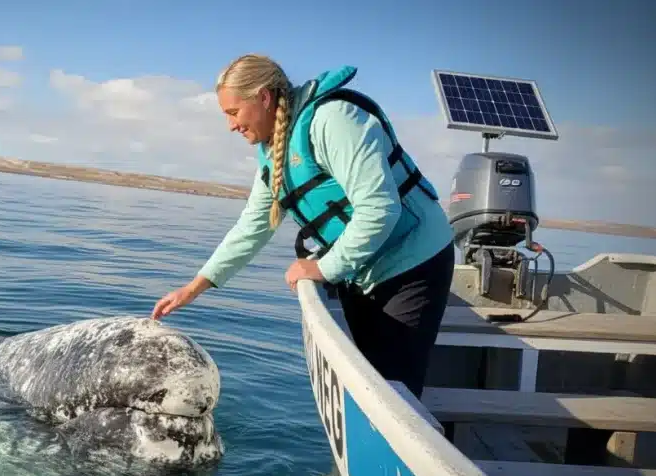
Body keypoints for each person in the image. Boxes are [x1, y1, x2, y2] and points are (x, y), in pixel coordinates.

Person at [150, 54, 456, 398]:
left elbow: (380, 208)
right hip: (362, 268)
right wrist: (194, 288)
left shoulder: (334, 121)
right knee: (367, 380)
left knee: (393, 393)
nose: (230, 125)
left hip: (413, 261)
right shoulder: (273, 150)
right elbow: (252, 227)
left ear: (264, 98)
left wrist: (323, 267)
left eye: (233, 112)